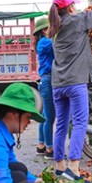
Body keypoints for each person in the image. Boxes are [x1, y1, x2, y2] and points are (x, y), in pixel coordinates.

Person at [48, 0, 92, 183]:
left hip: (58, 84)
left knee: (61, 124)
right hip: (75, 82)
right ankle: (74, 168)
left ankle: (59, 166)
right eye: (73, 5)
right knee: (79, 123)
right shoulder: (77, 20)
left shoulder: (55, 29)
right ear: (69, 8)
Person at [33, 17, 56, 159]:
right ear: (44, 29)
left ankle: (41, 146)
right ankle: (49, 149)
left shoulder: (42, 42)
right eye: (50, 27)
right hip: (48, 80)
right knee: (49, 117)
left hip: (46, 80)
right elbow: (57, 42)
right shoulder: (44, 42)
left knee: (44, 116)